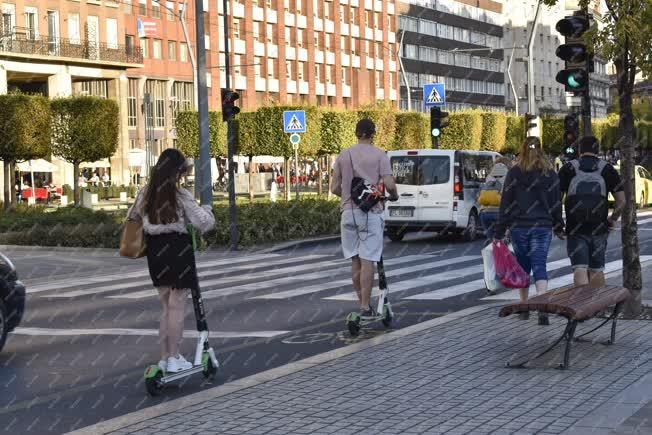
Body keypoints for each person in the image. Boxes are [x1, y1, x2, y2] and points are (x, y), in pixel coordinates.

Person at [127, 148, 215, 373]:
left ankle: (166, 358)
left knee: (166, 307)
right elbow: (203, 223)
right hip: (177, 249)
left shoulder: (145, 193)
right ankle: (175, 357)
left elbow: (132, 217)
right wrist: (207, 209)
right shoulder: (180, 194)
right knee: (177, 308)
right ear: (176, 172)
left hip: (155, 251)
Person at [331, 119, 398, 319]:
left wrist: (349, 195)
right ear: (373, 134)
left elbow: (334, 188)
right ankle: (365, 308)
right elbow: (388, 182)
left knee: (355, 260)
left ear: (356, 133)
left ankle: (362, 302)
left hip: (347, 213)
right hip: (370, 212)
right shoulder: (380, 155)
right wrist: (393, 195)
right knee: (368, 259)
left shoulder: (343, 155)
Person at [494, 137, 565, 324]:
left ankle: (524, 306)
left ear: (522, 149)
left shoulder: (514, 173)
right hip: (542, 225)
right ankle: (542, 304)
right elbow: (556, 203)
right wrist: (559, 225)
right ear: (541, 150)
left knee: (523, 267)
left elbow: (506, 203)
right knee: (540, 264)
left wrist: (500, 229)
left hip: (520, 226)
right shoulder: (550, 174)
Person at [558, 136, 625, 289]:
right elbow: (622, 202)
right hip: (599, 228)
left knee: (579, 268)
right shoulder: (608, 169)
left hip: (575, 228)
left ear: (580, 150)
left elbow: (556, 201)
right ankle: (595, 305)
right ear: (598, 150)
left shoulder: (568, 168)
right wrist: (612, 219)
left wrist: (558, 225)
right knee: (597, 269)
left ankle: (582, 307)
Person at [478, 156, 512, 242]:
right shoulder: (509, 175)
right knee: (503, 239)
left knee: (491, 240)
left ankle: (491, 248)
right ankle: (502, 250)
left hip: (484, 213)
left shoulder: (489, 176)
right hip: (500, 213)